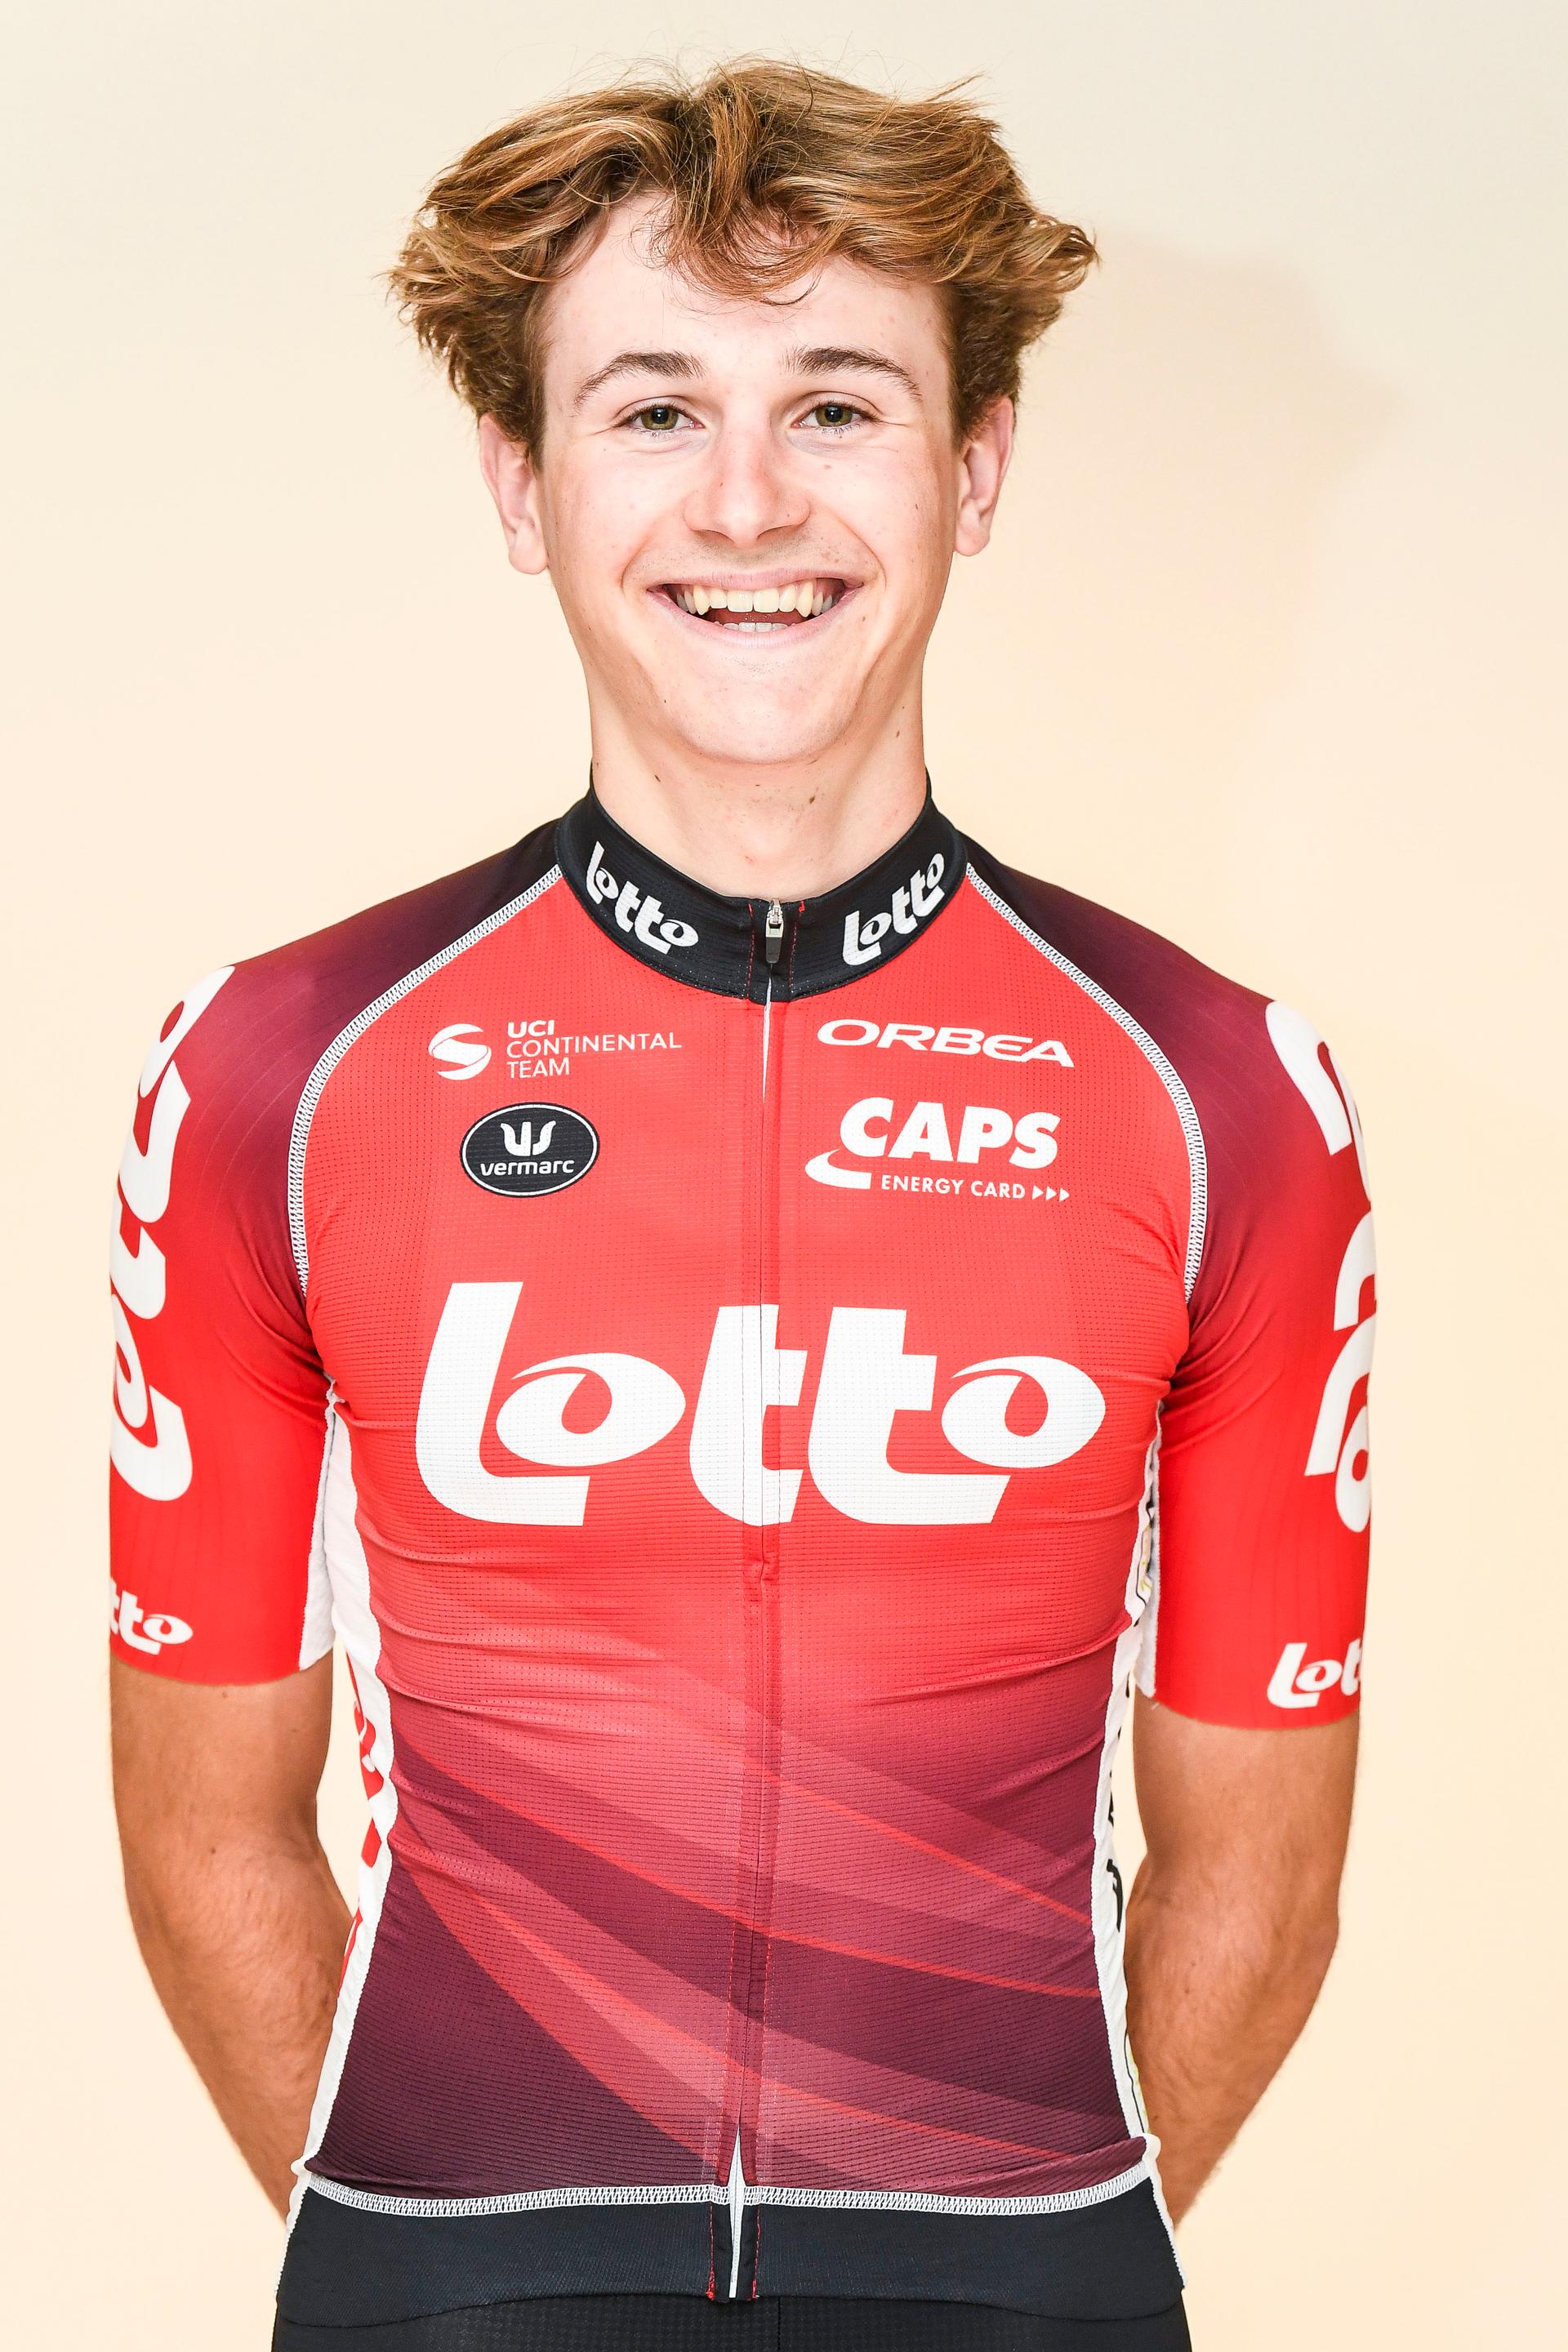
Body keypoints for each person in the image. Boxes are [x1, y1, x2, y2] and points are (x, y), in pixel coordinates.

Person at [109, 60, 1373, 2352]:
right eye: (654, 409)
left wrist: (1015, 2264)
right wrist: (443, 2255)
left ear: (977, 466)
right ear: (523, 480)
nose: (752, 499)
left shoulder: (1218, 1093)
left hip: (1024, 2280)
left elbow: (1262, 1866)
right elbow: (205, 1824)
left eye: (843, 403)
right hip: (443, 2272)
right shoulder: (276, 1075)